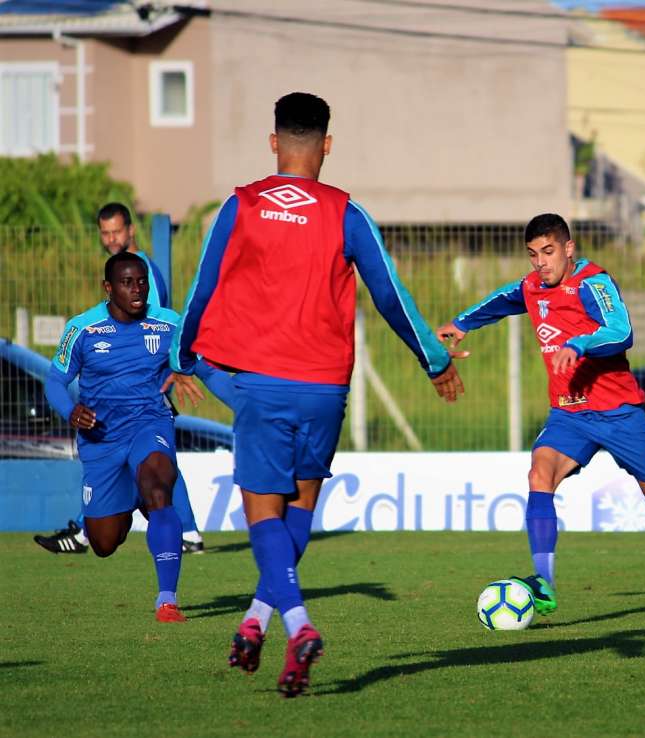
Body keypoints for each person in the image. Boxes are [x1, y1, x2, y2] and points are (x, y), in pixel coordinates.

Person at [168, 91, 465, 697]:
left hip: (262, 385)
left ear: (273, 142)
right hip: (326, 390)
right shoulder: (347, 213)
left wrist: (181, 357)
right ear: (326, 145)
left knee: (263, 515)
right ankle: (255, 620)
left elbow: (200, 287)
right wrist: (434, 361)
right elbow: (389, 295)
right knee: (300, 507)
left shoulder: (242, 204)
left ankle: (299, 626)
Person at [436, 213, 645, 617]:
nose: (540, 263)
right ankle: (545, 583)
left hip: (619, 413)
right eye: (533, 254)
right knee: (540, 473)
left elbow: (622, 332)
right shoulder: (533, 286)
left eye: (549, 252)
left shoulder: (594, 282)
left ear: (569, 249)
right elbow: (504, 298)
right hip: (570, 414)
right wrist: (463, 322)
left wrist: (580, 343)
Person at [34, 202, 208, 555]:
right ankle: (97, 526)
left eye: (117, 231)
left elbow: (161, 330)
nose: (112, 238)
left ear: (131, 231)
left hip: (150, 388)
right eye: (106, 232)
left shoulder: (146, 279)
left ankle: (185, 531)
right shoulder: (89, 318)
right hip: (113, 405)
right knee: (151, 468)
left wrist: (175, 368)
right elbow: (58, 378)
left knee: (158, 463)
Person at [44, 251, 204, 622]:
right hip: (101, 439)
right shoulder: (82, 329)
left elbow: (197, 363)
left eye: (142, 282)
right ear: (108, 287)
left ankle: (167, 600)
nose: (137, 290)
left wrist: (236, 399)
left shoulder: (168, 324)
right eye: (127, 283)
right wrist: (71, 411)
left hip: (150, 424)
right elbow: (55, 380)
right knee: (103, 543)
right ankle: (128, 500)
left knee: (160, 489)